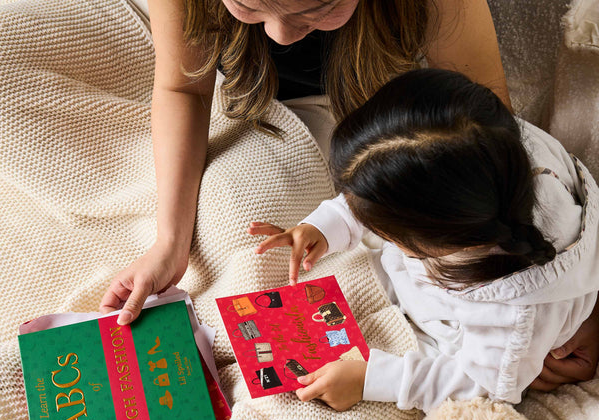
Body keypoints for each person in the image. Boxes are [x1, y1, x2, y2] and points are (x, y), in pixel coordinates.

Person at [100, 0, 598, 388]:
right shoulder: (477, 164)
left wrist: (374, 382)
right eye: (247, 7)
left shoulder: (509, 324)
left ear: (447, 235)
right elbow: (182, 89)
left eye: (314, 9)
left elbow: (477, 385)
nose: (277, 34)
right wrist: (171, 240)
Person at [249, 68, 599, 412]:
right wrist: (327, 224)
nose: (363, 219)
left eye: (384, 228)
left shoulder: (514, 316)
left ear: (443, 239)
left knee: (324, 390)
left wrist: (373, 381)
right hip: (441, 282)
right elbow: (396, 184)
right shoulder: (493, 147)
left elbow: (484, 388)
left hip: (460, 337)